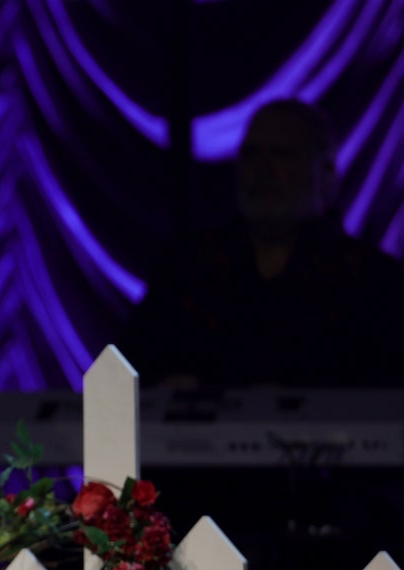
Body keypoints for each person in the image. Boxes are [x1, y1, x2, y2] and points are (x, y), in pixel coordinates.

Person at [119, 98, 404, 390]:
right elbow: (124, 377)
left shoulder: (372, 281)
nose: (263, 169)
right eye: (250, 154)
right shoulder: (189, 271)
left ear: (327, 172)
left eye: (282, 154)